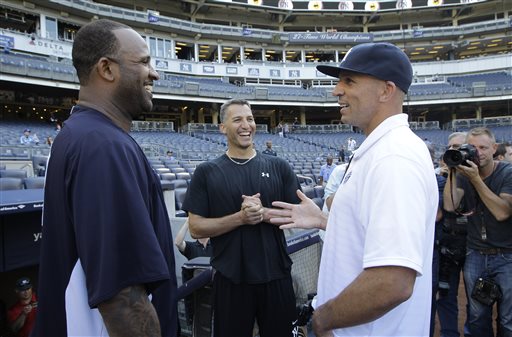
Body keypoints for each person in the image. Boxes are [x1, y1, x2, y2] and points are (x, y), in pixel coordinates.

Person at [268, 42, 438, 337]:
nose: (336, 90)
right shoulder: (381, 149)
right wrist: (324, 221)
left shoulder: (394, 156)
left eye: (349, 81)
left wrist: (323, 319)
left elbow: (392, 280)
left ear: (386, 90)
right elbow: (372, 237)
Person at [31, 19, 178, 337]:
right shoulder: (102, 146)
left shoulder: (84, 135)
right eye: (143, 62)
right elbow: (123, 300)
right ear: (107, 69)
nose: (154, 73)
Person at [182, 98, 301, 337]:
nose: (246, 125)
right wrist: (241, 217)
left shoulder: (279, 166)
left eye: (250, 118)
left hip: (276, 276)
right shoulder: (207, 172)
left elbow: (297, 216)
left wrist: (262, 213)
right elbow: (196, 228)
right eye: (237, 119)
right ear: (223, 127)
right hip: (231, 280)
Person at [443, 127, 512, 337]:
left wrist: (475, 179)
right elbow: (449, 205)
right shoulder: (465, 173)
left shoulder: (508, 172)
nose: (478, 152)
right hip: (476, 253)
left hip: (507, 255)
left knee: (508, 319)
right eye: (472, 148)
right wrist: (454, 170)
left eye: (483, 147)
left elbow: (502, 212)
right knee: (477, 316)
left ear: (494, 148)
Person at [436, 132, 472, 337]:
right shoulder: (440, 178)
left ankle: (471, 332)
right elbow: (440, 211)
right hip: (447, 243)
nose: (454, 151)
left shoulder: (480, 176)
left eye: (459, 147)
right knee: (446, 295)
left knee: (475, 297)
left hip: (473, 245)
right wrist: (447, 175)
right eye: (450, 147)